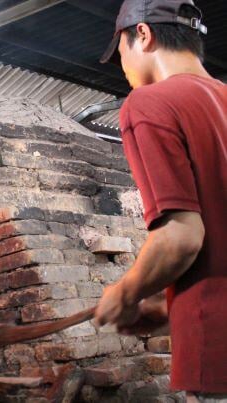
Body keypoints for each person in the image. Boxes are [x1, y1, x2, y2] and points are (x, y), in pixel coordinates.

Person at [94, 0, 227, 401]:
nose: (124, 68)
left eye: (120, 53)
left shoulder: (149, 104)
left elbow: (181, 238)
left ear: (143, 35)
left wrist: (126, 292)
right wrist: (174, 309)